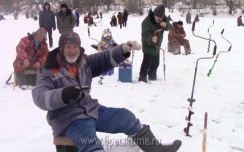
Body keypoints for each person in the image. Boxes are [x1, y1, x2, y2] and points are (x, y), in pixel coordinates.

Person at [32, 31, 182, 152]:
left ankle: (155, 149)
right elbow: (39, 96)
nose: (72, 51)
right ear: (61, 49)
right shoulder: (48, 70)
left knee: (126, 117)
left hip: (91, 110)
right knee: (89, 142)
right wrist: (63, 94)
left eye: (75, 47)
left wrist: (123, 49)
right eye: (68, 47)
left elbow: (103, 58)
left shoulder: (83, 62)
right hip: (69, 119)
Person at [139, 4, 172, 83]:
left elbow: (169, 27)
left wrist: (166, 25)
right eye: (157, 17)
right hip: (148, 46)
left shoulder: (163, 18)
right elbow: (144, 35)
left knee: (156, 64)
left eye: (161, 18)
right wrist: (151, 38)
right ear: (154, 14)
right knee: (146, 64)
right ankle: (142, 78)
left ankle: (152, 77)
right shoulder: (146, 22)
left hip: (157, 47)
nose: (159, 19)